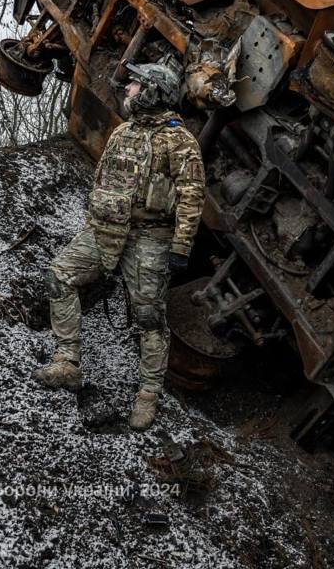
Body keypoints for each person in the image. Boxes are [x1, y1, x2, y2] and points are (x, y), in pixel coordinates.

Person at [33, 61, 205, 431]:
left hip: (149, 238)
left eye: (136, 85)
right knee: (60, 275)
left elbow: (192, 198)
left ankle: (148, 395)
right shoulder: (122, 132)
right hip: (105, 232)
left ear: (153, 92)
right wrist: (94, 221)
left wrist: (181, 247)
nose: (127, 88)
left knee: (148, 317)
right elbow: (103, 180)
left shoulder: (180, 141)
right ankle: (67, 360)